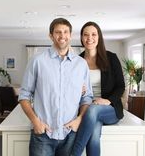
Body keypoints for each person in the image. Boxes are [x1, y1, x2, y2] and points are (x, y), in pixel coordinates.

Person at [18, 18, 93, 156]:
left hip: (70, 134)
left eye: (65, 32)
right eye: (58, 32)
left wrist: (79, 119)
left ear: (70, 35)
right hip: (43, 135)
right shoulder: (37, 61)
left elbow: (87, 97)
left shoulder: (81, 65)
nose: (62, 36)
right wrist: (35, 122)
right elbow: (24, 95)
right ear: (51, 35)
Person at [71, 21, 125, 156]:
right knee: (94, 134)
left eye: (93, 34)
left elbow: (120, 86)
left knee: (93, 109)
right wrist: (78, 89)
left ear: (99, 37)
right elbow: (70, 87)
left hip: (110, 109)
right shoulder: (77, 61)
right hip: (86, 108)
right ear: (82, 38)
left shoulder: (111, 58)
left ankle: (74, 154)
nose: (90, 38)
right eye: (86, 35)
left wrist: (108, 101)